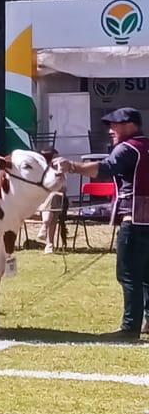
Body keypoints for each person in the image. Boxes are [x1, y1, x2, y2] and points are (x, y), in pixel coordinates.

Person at [55, 107, 149, 340]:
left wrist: (72, 166)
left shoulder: (127, 148)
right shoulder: (146, 146)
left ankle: (130, 328)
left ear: (129, 125)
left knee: (129, 275)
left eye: (115, 125)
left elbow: (105, 169)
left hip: (134, 221)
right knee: (147, 275)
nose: (110, 130)